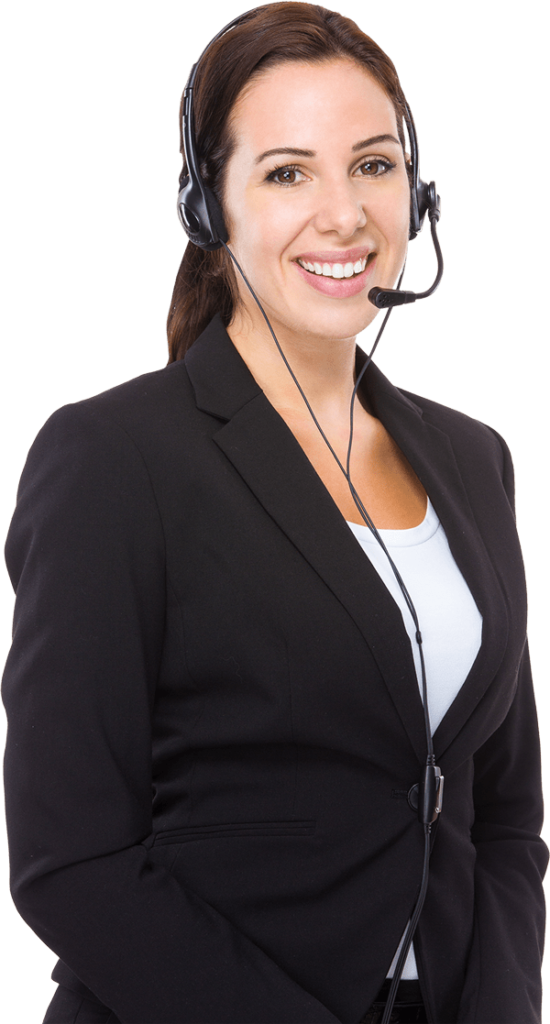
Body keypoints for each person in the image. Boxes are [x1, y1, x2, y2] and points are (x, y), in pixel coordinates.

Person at [1, 3, 546, 1022]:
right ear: (208, 212)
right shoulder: (112, 458)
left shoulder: (474, 459)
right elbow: (69, 859)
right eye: (288, 173)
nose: (343, 215)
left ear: (420, 195)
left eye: (373, 165)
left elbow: (504, 813)